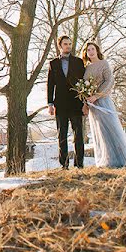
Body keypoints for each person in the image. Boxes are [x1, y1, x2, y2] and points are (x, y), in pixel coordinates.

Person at [82, 42, 126, 168]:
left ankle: (120, 159)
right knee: (100, 132)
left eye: (93, 49)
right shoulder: (86, 67)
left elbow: (109, 80)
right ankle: (107, 160)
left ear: (97, 50)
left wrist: (97, 95)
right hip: (92, 105)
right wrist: (87, 102)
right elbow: (84, 87)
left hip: (103, 101)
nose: (91, 52)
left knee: (110, 129)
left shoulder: (103, 63)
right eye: (88, 50)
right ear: (86, 53)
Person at [47, 35, 86, 168]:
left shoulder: (79, 62)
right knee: (62, 135)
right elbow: (50, 84)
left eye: (70, 44)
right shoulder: (53, 63)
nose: (68, 46)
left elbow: (84, 83)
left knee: (78, 135)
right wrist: (50, 104)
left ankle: (79, 164)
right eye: (65, 44)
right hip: (60, 104)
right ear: (60, 46)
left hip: (76, 103)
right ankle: (64, 165)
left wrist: (85, 103)